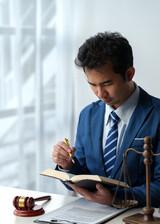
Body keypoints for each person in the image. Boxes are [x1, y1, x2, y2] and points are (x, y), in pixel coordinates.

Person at [52, 31, 160, 207]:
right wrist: (67, 166)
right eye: (92, 85)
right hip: (92, 220)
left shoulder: (157, 115)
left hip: (140, 222)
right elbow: (83, 176)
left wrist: (115, 198)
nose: (100, 94)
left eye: (107, 84)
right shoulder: (87, 115)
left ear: (129, 74)